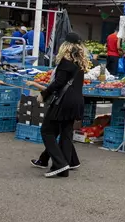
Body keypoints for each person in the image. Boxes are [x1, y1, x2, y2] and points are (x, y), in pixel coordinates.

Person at [33, 33, 89, 178]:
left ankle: (60, 164)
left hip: (64, 101)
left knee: (47, 130)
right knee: (65, 131)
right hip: (77, 101)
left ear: (65, 46)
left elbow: (58, 83)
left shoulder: (65, 62)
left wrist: (43, 95)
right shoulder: (80, 63)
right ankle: (69, 162)